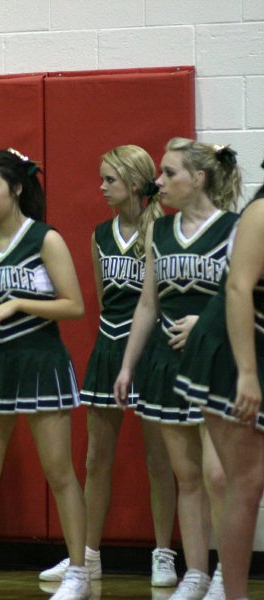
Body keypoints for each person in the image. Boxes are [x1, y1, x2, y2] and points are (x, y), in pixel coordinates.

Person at [0, 148, 89, 600]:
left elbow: (75, 305)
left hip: (41, 364)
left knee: (59, 471)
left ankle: (80, 572)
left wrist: (19, 303)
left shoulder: (45, 239)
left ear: (17, 188)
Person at [39, 145, 178, 587]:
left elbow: (162, 298)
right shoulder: (100, 234)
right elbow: (101, 297)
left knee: (159, 459)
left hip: (153, 350)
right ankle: (88, 554)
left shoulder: (165, 229)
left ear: (135, 185)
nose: (101, 187)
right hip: (109, 345)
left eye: (109, 180)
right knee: (96, 457)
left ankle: (163, 554)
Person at [114, 138, 241, 600]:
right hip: (165, 365)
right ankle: (196, 573)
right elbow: (147, 303)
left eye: (169, 174)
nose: (159, 182)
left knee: (219, 476)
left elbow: (248, 296)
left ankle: (228, 571)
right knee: (185, 476)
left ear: (200, 178)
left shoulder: (236, 229)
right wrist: (128, 365)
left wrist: (208, 322)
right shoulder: (159, 232)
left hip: (218, 364)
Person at [174, 170, 263, 600]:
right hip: (231, 348)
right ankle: (235, 595)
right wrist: (247, 373)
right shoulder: (261, 214)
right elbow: (238, 288)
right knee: (245, 481)